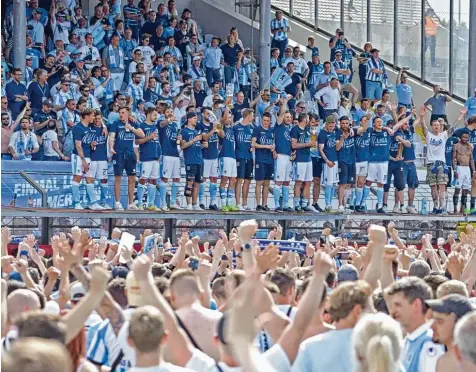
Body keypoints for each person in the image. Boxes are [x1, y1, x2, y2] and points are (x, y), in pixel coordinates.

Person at [292, 280, 373, 371]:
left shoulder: (309, 347)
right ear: (357, 311)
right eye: (370, 311)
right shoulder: (373, 347)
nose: (373, 316)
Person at [385, 276, 445, 372]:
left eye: (398, 305)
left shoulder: (429, 344)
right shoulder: (409, 340)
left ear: (416, 305)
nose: (393, 311)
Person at [426, 294, 475, 372]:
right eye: (433, 320)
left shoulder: (470, 363)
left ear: (459, 324)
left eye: (440, 321)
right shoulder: (443, 361)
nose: (432, 326)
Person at [109, 107, 145, 210]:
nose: (121, 114)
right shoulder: (116, 124)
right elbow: (112, 137)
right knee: (118, 178)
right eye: (119, 112)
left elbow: (142, 135)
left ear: (128, 114)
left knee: (132, 178)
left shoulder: (133, 123)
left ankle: (130, 204)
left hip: (130, 154)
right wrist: (111, 148)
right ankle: (117, 202)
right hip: (119, 153)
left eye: (123, 112)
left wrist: (132, 128)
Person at [418, 105, 450, 214]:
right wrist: (422, 118)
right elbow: (423, 128)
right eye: (434, 125)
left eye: (438, 125)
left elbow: (453, 128)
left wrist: (461, 116)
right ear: (432, 126)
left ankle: (443, 206)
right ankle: (436, 206)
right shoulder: (429, 136)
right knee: (433, 187)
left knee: (442, 185)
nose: (436, 126)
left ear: (440, 126)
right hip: (431, 164)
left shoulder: (443, 135)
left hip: (441, 163)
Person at [136, 107, 162, 211]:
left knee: (153, 181)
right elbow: (137, 141)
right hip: (145, 157)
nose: (156, 117)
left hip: (155, 157)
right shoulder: (141, 126)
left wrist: (160, 153)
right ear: (148, 114)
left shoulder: (155, 127)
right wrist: (148, 137)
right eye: (155, 115)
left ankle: (151, 204)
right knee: (143, 179)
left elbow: (157, 141)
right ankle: (139, 203)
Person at [292, 113, 317, 212]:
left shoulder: (308, 130)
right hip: (299, 159)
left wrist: (311, 144)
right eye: (308, 119)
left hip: (308, 158)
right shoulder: (295, 129)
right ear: (305, 119)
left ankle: (304, 203)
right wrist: (307, 144)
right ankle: (296, 204)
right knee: (299, 181)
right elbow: (293, 145)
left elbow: (312, 142)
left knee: (308, 181)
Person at [273, 96, 294, 212]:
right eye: (287, 117)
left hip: (288, 157)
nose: (288, 118)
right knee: (279, 180)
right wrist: (285, 102)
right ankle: (276, 204)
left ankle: (285, 204)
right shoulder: (279, 125)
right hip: (280, 155)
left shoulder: (289, 129)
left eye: (290, 117)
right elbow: (280, 114)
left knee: (287, 181)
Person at [197, 108, 220, 211]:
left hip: (214, 155)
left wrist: (217, 125)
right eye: (207, 113)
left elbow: (222, 135)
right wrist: (213, 130)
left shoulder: (213, 124)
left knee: (214, 179)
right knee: (203, 179)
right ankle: (201, 202)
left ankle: (213, 202)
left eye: (211, 113)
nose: (209, 115)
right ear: (202, 114)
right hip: (205, 156)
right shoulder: (199, 125)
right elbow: (204, 138)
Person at [180, 112, 204, 210]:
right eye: (194, 118)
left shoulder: (196, 131)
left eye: (196, 118)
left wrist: (203, 145)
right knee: (190, 182)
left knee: (197, 183)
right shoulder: (184, 131)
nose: (196, 120)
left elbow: (197, 146)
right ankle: (188, 204)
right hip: (190, 160)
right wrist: (194, 140)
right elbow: (183, 146)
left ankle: (195, 204)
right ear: (189, 119)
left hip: (199, 160)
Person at [159, 107, 182, 210]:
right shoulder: (162, 122)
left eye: (171, 112)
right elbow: (162, 124)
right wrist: (169, 119)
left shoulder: (175, 125)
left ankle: (173, 203)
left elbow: (176, 138)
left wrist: (179, 139)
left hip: (175, 154)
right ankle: (163, 203)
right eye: (167, 112)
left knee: (176, 178)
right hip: (166, 153)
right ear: (164, 114)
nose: (169, 113)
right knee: (164, 178)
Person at [252, 112, 275, 211]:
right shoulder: (257, 129)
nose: (265, 122)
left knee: (267, 183)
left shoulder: (272, 130)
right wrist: (266, 146)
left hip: (270, 160)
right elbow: (253, 143)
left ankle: (264, 204)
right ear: (262, 120)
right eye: (264, 120)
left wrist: (274, 150)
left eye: (267, 121)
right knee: (259, 182)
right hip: (260, 159)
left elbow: (273, 144)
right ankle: (258, 204)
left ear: (270, 122)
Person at [234, 109, 254, 210]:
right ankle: (238, 203)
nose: (253, 117)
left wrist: (253, 146)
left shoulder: (252, 128)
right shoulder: (236, 127)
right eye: (252, 115)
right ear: (248, 116)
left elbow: (254, 141)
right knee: (239, 180)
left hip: (249, 157)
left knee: (248, 180)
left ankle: (245, 203)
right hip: (239, 156)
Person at [90, 112, 111, 209]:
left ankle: (103, 201)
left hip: (103, 158)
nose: (97, 120)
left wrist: (104, 125)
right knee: (90, 180)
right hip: (92, 158)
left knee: (104, 180)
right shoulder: (89, 128)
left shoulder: (105, 128)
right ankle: (91, 202)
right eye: (96, 118)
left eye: (99, 119)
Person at [336, 116, 356, 212]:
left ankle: (346, 205)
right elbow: (337, 148)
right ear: (340, 124)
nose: (345, 125)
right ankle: (340, 205)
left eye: (346, 123)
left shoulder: (353, 131)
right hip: (342, 161)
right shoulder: (337, 133)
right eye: (343, 123)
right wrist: (342, 139)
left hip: (352, 160)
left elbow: (363, 128)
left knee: (350, 184)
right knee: (342, 184)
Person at [452, 131, 475, 214]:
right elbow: (454, 158)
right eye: (463, 137)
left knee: (465, 190)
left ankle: (463, 208)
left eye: (466, 137)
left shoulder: (470, 146)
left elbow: (471, 159)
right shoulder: (456, 146)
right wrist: (454, 170)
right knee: (457, 189)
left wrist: (474, 170)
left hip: (467, 169)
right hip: (459, 168)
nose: (465, 139)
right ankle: (455, 208)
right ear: (461, 137)